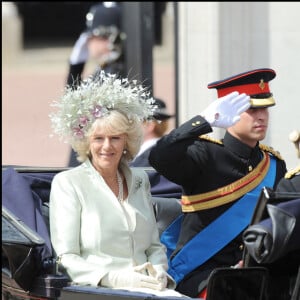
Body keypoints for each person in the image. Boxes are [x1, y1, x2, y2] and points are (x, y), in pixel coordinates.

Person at [149, 68, 287, 297]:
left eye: (265, 108)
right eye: (251, 109)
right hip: (203, 275)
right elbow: (159, 156)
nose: (261, 116)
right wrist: (204, 120)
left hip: (256, 273)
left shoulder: (273, 164)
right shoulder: (204, 154)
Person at [48, 71, 183, 296]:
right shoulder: (69, 183)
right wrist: (113, 278)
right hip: (98, 291)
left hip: (148, 289)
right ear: (86, 142)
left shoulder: (139, 180)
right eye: (98, 138)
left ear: (127, 142)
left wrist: (159, 270)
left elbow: (153, 246)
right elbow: (67, 258)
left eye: (115, 138)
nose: (107, 146)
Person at [67, 2, 126, 167]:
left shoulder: (115, 74)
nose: (89, 43)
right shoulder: (103, 70)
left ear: (111, 38)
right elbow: (71, 106)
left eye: (94, 38)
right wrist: (75, 67)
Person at [130, 98, 182, 198]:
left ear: (150, 125)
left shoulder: (156, 154)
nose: (130, 126)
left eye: (136, 121)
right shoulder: (140, 152)